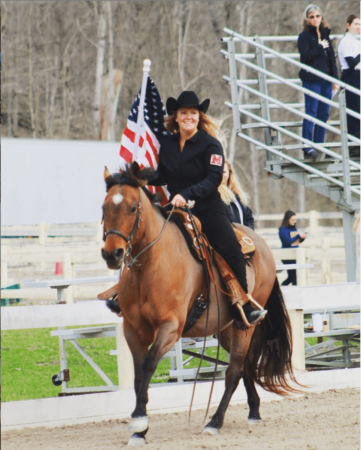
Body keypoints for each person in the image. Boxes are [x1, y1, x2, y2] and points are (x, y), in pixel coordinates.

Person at [148, 91, 266, 326]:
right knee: (148, 236)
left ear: (199, 116)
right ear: (176, 117)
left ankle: (243, 305)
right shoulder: (168, 144)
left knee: (231, 248)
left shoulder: (211, 144)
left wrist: (186, 194)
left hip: (207, 207)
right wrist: (142, 177)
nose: (188, 117)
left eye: (193, 112)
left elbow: (214, 178)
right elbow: (163, 174)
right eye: (184, 113)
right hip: (176, 208)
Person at [297, 4, 339, 159]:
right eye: (312, 17)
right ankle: (307, 146)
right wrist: (319, 47)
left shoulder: (326, 34)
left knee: (323, 113)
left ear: (322, 17)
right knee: (311, 112)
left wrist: (335, 79)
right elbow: (305, 56)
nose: (315, 19)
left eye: (317, 16)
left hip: (326, 80)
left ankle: (319, 145)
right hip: (311, 79)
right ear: (307, 19)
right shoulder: (304, 36)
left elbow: (331, 59)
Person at [338, 14, 360, 158]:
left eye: (360, 24)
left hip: (357, 76)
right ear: (348, 25)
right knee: (352, 111)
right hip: (350, 76)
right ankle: (354, 147)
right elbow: (351, 63)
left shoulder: (356, 41)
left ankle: (358, 143)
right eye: (355, 24)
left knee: (358, 110)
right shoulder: (346, 41)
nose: (358, 27)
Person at [219, 161, 254, 229]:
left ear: (230, 173)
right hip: (228, 237)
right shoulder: (214, 195)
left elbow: (249, 218)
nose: (221, 175)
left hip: (243, 237)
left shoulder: (238, 194)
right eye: (219, 172)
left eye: (224, 172)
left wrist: (249, 233)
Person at [278, 210, 307, 286]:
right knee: (293, 277)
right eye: (293, 220)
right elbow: (287, 242)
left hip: (295, 255)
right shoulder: (283, 230)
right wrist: (298, 236)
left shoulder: (293, 228)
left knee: (292, 277)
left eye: (295, 220)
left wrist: (302, 238)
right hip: (287, 256)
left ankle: (281, 288)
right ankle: (290, 290)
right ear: (287, 219)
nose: (294, 221)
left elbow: (295, 242)